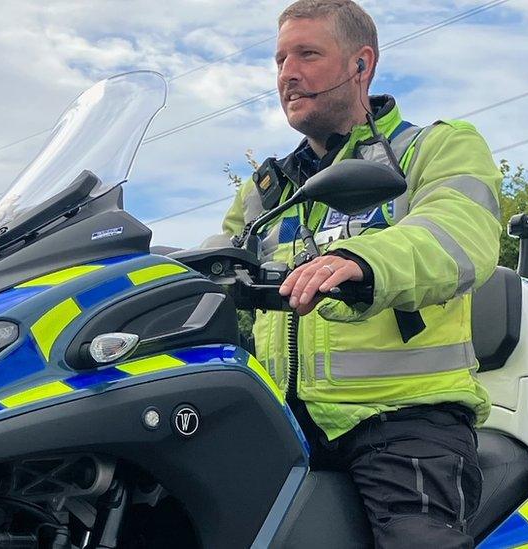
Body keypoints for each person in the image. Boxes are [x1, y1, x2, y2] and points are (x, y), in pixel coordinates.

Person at [207, 1, 502, 546]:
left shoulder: (433, 147)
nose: (286, 73)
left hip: (403, 419)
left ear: (361, 64)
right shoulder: (264, 192)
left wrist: (366, 261)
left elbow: (460, 235)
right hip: (280, 420)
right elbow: (212, 266)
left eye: (308, 54)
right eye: (279, 59)